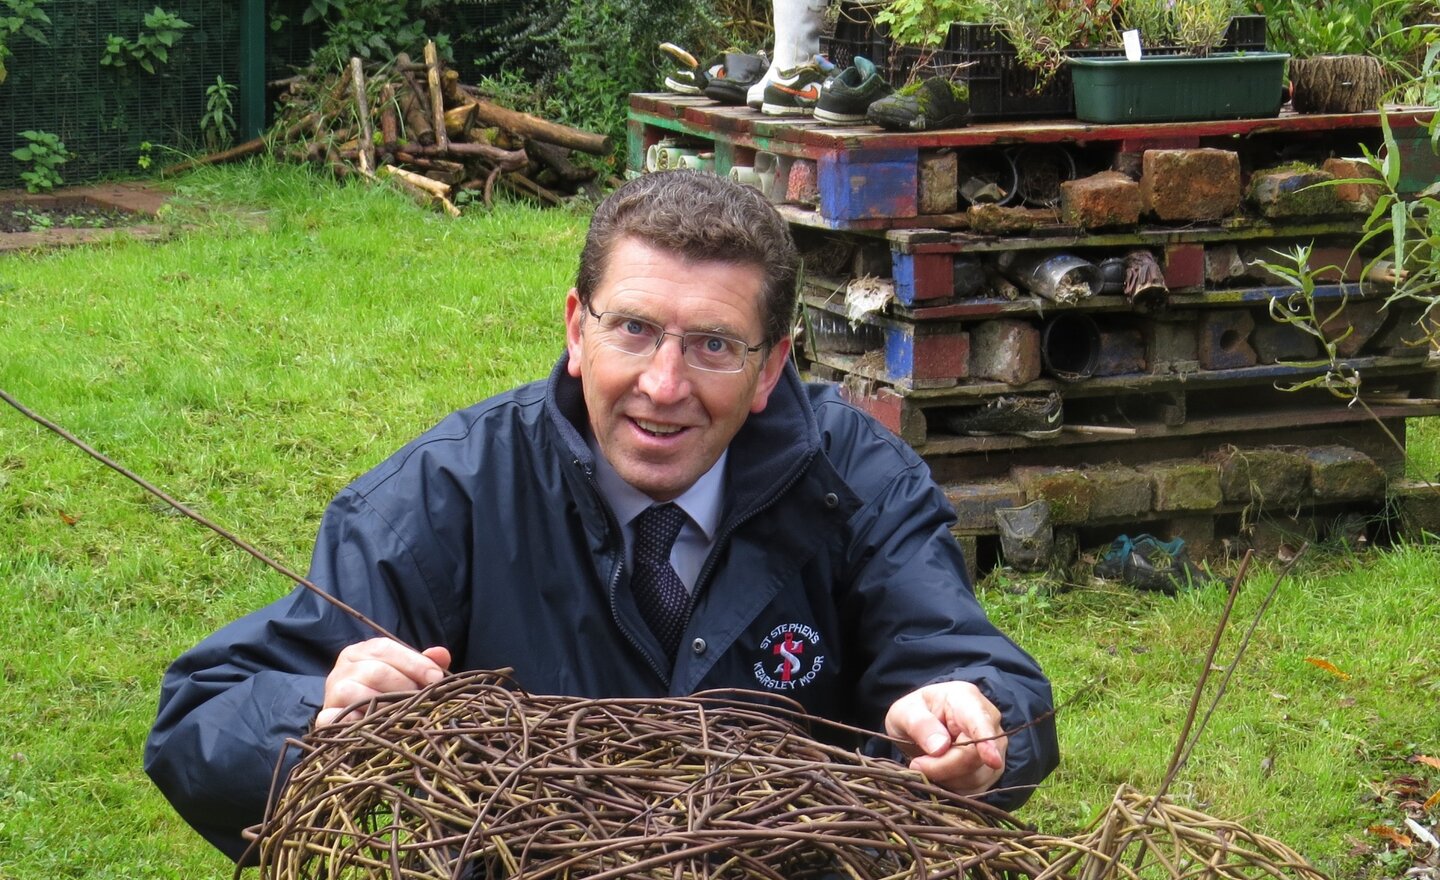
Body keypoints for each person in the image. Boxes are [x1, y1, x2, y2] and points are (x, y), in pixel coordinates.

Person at [144, 170, 1059, 862]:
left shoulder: (857, 480)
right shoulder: (449, 492)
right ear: (576, 329)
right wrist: (321, 719)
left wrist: (973, 718)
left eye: (712, 345)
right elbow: (200, 722)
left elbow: (979, 678)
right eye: (633, 330)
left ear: (771, 367)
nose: (664, 387)